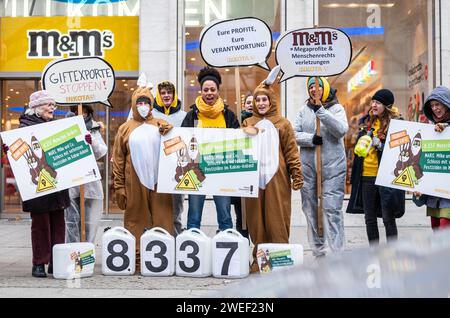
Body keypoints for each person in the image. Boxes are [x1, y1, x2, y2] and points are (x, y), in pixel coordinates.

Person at [4, 90, 80, 277]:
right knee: (41, 226)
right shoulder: (24, 128)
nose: (52, 108)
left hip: (57, 185)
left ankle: (56, 261)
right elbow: (17, 153)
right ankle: (39, 262)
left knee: (58, 225)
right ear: (36, 107)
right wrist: (8, 149)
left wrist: (82, 142)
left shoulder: (55, 126)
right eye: (48, 105)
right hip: (37, 185)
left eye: (53, 105)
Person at [243, 76, 303, 273]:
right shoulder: (247, 122)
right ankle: (259, 260)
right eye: (257, 100)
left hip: (277, 178)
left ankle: (279, 260)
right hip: (253, 179)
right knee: (256, 220)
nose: (261, 103)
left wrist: (296, 173)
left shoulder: (283, 123)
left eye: (264, 100)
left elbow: (291, 151)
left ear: (271, 101)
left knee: (277, 218)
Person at [112, 77, 174, 270]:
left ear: (151, 104)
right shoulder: (125, 129)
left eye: (146, 102)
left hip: (159, 182)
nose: (143, 106)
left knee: (163, 217)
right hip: (134, 182)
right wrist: (120, 186)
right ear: (133, 104)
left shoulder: (161, 124)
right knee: (135, 219)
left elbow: (175, 149)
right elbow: (119, 160)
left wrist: (171, 132)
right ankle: (136, 257)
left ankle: (163, 256)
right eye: (139, 102)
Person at [294, 77, 348, 257]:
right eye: (310, 88)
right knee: (310, 210)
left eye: (316, 87)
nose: (313, 91)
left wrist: (322, 113)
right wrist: (310, 139)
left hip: (333, 169)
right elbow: (293, 134)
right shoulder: (304, 110)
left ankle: (337, 253)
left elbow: (341, 129)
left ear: (324, 88)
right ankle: (319, 252)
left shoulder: (336, 108)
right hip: (309, 169)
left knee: (332, 210)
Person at [181, 66, 239, 232]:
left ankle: (226, 238)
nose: (209, 93)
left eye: (212, 89)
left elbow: (237, 142)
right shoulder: (192, 115)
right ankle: (193, 239)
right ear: (200, 91)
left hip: (221, 171)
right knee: (193, 217)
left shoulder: (228, 115)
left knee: (225, 217)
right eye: (205, 89)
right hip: (196, 172)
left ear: (218, 91)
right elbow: (183, 141)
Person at [347, 88, 405, 244]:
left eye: (377, 102)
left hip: (385, 177)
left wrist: (381, 145)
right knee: (370, 218)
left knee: (388, 218)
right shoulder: (366, 123)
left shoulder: (396, 123)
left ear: (386, 106)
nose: (373, 105)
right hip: (366, 176)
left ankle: (392, 253)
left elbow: (401, 150)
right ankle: (375, 254)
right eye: (373, 101)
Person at [64, 105, 107, 243]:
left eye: (84, 112)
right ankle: (73, 252)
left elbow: (101, 151)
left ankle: (87, 251)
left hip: (89, 179)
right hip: (71, 179)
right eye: (77, 112)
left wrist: (92, 142)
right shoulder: (65, 129)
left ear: (89, 113)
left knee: (89, 221)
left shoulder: (94, 130)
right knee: (71, 220)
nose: (81, 114)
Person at [152, 81, 187, 237]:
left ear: (174, 95)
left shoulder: (184, 115)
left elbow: (187, 140)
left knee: (176, 209)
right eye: (163, 93)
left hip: (177, 169)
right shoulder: (151, 115)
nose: (166, 95)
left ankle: (176, 240)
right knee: (157, 207)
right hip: (157, 168)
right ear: (159, 96)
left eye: (169, 92)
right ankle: (158, 240)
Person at [413, 86, 450, 230]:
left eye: (438, 104)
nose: (435, 108)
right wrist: (420, 187)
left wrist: (446, 127)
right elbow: (426, 163)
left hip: (448, 197)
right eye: (432, 105)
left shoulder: (442, 129)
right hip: (434, 198)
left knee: (444, 237)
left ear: (446, 104)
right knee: (437, 238)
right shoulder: (430, 131)